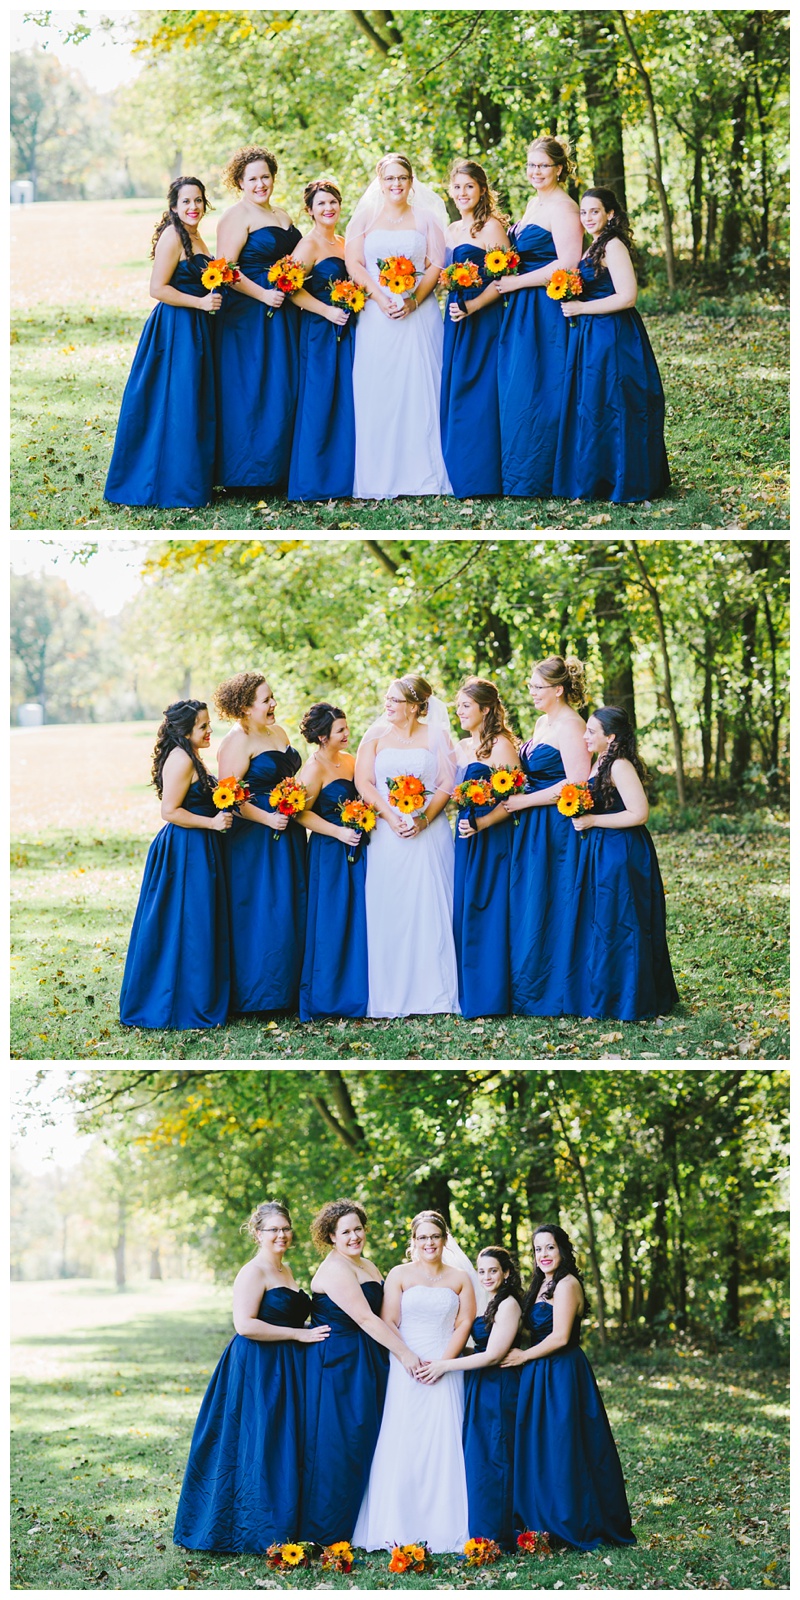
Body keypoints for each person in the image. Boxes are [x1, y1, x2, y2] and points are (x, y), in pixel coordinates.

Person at [174, 1201, 329, 1552]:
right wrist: (298, 1335)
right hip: (257, 1365)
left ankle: (285, 1518)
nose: (281, 1235)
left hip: (286, 1363)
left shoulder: (286, 1271)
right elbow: (244, 1325)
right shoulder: (253, 1272)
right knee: (256, 1440)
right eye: (273, 1229)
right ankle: (250, 1527)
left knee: (282, 1440)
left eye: (286, 1228)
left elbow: (288, 1316)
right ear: (258, 1234)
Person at [502, 1226, 635, 1550]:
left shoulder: (568, 1283)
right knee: (541, 1445)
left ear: (562, 1249)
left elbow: (560, 1336)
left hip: (562, 1372)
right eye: (537, 1249)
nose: (543, 1255)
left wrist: (522, 1356)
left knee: (566, 1445)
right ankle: (541, 1519)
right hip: (538, 1373)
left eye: (550, 1247)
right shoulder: (540, 1284)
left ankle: (573, 1519)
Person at [353, 1210, 475, 1553]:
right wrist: (408, 1357)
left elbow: (464, 1322)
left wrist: (444, 1364)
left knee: (444, 1437)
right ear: (414, 1241)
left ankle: (446, 1525)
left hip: (445, 1362)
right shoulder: (399, 1274)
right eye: (422, 1237)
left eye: (435, 1236)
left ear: (444, 1239)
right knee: (403, 1437)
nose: (429, 1243)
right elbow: (389, 1320)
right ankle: (396, 1525)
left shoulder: (460, 1277)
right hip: (405, 1363)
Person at [301, 1201, 422, 1546]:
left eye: (358, 1229)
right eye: (346, 1232)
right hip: (341, 1362)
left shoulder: (366, 1263)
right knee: (344, 1441)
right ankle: (330, 1531)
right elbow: (366, 1319)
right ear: (331, 1237)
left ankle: (369, 1522)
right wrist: (405, 1354)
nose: (354, 1236)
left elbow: (385, 1314)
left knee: (372, 1437)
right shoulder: (335, 1270)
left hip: (369, 1354)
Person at [477, 657, 590, 1015]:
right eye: (530, 686)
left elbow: (578, 782)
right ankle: (532, 984)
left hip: (557, 826)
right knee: (534, 900)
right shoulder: (543, 722)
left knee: (556, 899)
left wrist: (524, 800)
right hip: (532, 824)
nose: (531, 693)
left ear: (558, 690)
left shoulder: (572, 725)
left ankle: (559, 989)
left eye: (537, 687)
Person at [104, 177, 220, 509]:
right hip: (174, 328)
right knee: (174, 402)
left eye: (198, 200)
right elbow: (157, 288)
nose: (193, 207)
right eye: (186, 202)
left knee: (192, 401)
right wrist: (199, 303)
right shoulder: (173, 236)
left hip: (195, 326)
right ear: (173, 206)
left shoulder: (196, 236)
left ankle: (189, 477)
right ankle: (164, 483)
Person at [344, 152, 452, 498]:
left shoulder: (426, 219)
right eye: (389, 178)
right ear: (380, 181)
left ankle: (426, 474)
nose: (396, 184)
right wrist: (379, 297)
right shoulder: (363, 218)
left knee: (423, 386)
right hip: (378, 314)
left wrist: (414, 299)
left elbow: (436, 263)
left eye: (401, 178)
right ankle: (380, 478)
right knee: (381, 389)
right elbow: (355, 264)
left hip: (418, 312)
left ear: (411, 181)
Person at [553, 189, 670, 503]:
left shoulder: (613, 245)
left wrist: (580, 308)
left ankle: (624, 481)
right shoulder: (593, 244)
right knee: (594, 404)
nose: (588, 218)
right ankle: (598, 478)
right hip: (592, 334)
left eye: (595, 211)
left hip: (614, 335)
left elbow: (627, 297)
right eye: (584, 212)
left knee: (616, 404)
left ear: (611, 215)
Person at [119, 700, 231, 1029]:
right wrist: (212, 824)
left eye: (209, 724)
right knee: (183, 924)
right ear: (184, 730)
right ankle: (172, 1002)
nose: (210, 731)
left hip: (199, 846)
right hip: (183, 850)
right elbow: (170, 811)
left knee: (198, 923)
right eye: (203, 726)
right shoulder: (181, 759)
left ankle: (198, 995)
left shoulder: (191, 754)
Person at [562, 706, 679, 1019]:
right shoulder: (598, 761)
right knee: (603, 921)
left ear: (610, 737)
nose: (584, 736)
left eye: (591, 731)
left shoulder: (619, 765)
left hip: (622, 852)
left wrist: (592, 821)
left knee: (623, 922)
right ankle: (605, 994)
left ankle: (631, 999)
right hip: (600, 849)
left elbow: (639, 814)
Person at [354, 675, 460, 1016]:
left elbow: (445, 783)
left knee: (430, 904)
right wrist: (388, 814)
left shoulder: (437, 736)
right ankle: (390, 996)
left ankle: (436, 993)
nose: (387, 705)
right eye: (386, 698)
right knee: (392, 906)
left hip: (428, 830)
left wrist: (423, 818)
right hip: (388, 834)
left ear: (414, 706)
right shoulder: (374, 736)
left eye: (395, 700)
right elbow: (364, 782)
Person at [496, 137, 583, 497]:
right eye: (530, 165)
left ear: (559, 169)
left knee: (544, 387)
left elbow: (567, 263)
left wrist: (516, 282)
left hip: (546, 306)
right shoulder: (535, 201)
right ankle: (519, 472)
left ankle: (545, 475)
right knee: (521, 386)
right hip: (523, 306)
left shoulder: (564, 207)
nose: (535, 172)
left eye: (543, 166)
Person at [214, 673, 306, 1013]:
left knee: (288, 904)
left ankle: (289, 991)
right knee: (261, 909)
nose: (273, 705)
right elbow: (226, 797)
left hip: (289, 830)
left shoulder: (279, 733)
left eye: (272, 698)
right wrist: (268, 818)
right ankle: (259, 995)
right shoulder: (236, 742)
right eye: (265, 700)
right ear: (244, 707)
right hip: (255, 838)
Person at [419, 1246, 522, 1548]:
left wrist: (444, 1365)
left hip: (500, 1384)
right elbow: (477, 1349)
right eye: (482, 1271)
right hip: (480, 1384)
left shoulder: (509, 1305)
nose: (487, 1276)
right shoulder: (489, 1302)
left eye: (493, 1270)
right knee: (480, 1455)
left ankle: (498, 1534)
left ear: (506, 1273)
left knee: (496, 1454)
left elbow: (492, 1355)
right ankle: (481, 1528)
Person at [214, 146, 301, 493]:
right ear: (240, 182)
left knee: (282, 385)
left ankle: (279, 470)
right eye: (253, 178)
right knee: (252, 387)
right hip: (250, 314)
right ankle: (248, 475)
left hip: (285, 310)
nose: (261, 183)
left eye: (266, 176)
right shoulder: (235, 217)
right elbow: (224, 270)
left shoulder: (283, 214)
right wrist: (264, 293)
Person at [440, 161, 509, 497]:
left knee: (481, 390)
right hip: (455, 315)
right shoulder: (451, 229)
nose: (462, 193)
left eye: (469, 186)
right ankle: (461, 471)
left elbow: (505, 279)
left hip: (482, 316)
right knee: (458, 388)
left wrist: (473, 305)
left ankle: (485, 476)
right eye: (457, 187)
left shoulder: (492, 227)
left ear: (481, 189)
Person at [452, 679, 520, 1017]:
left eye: (465, 706)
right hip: (464, 836)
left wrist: (483, 822)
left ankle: (491, 997)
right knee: (463, 909)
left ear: (486, 709)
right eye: (458, 705)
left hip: (492, 836)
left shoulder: (502, 746)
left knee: (487, 911)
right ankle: (467, 992)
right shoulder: (463, 746)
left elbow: (516, 799)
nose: (459, 711)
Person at [296, 702, 368, 1021]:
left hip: (359, 846)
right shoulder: (313, 769)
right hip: (330, 852)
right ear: (323, 737)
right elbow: (300, 812)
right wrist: (339, 832)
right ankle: (329, 995)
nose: (347, 733)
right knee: (333, 919)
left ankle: (361, 990)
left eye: (346, 727)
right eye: (340, 730)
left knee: (359, 917)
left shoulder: (351, 761)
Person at [288, 180, 356, 501]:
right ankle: (314, 481)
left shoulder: (345, 243)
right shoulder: (308, 245)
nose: (328, 208)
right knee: (319, 400)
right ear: (310, 210)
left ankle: (344, 476)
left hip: (349, 329)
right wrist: (327, 312)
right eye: (321, 204)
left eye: (333, 202)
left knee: (345, 400)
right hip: (320, 330)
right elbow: (290, 289)